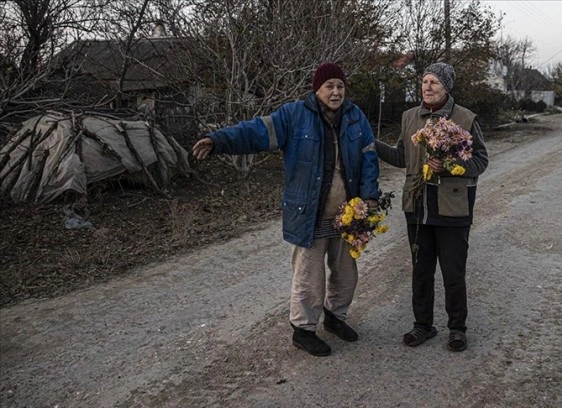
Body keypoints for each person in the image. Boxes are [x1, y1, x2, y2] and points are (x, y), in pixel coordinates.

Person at [192, 62, 381, 357]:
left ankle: (335, 317)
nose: (335, 92)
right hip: (310, 213)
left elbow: (369, 157)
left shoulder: (355, 117)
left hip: (348, 214)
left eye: (340, 86)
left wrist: (369, 197)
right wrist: (218, 141)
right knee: (309, 277)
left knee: (346, 274)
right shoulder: (294, 116)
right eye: (329, 86)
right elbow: (255, 132)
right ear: (316, 89)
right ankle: (304, 331)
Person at [374, 62, 488, 352]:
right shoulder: (410, 117)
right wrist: (371, 143)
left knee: (453, 273)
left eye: (434, 82)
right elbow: (402, 157)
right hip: (417, 207)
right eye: (424, 81)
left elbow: (480, 161)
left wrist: (450, 166)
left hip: (452, 209)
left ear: (446, 87)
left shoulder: (465, 118)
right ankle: (422, 325)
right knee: (421, 271)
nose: (427, 87)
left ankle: (457, 329)